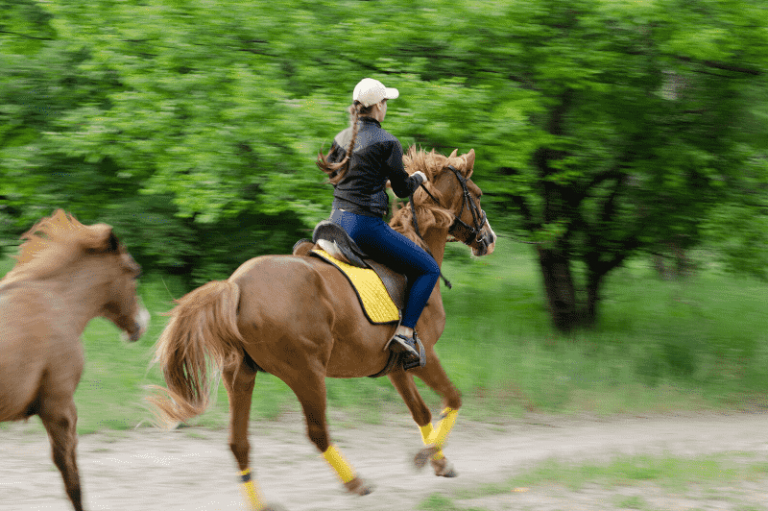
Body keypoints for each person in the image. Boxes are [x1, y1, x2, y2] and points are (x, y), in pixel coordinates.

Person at [316, 78, 440, 365]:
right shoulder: (388, 142)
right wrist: (419, 177)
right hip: (365, 228)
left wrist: (376, 182)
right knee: (429, 268)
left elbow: (342, 180)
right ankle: (406, 333)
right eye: (385, 103)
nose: (386, 108)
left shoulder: (341, 137)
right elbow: (403, 190)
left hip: (335, 222)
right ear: (378, 107)